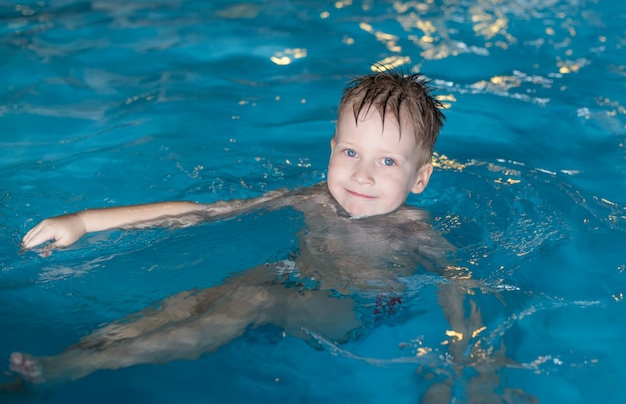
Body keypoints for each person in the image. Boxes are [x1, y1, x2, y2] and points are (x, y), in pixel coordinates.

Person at [6, 70, 502, 402]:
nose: (362, 175)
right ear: (332, 147)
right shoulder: (312, 198)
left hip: (348, 310)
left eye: (387, 161)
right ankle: (66, 359)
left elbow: (461, 293)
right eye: (351, 153)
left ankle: (83, 368)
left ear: (420, 178)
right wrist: (86, 221)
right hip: (291, 277)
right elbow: (202, 213)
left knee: (257, 301)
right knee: (195, 299)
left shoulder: (413, 231)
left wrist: (474, 367)